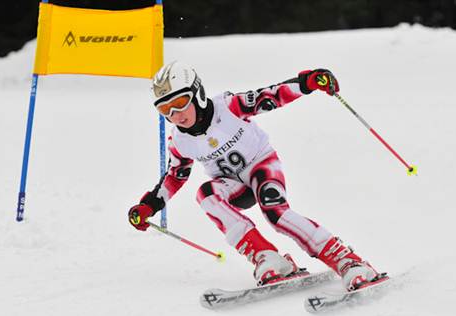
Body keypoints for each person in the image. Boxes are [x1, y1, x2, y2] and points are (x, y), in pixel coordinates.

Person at [128, 61, 384, 291]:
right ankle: (268, 257)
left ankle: (347, 261)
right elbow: (175, 176)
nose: (176, 115)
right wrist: (150, 205)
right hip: (232, 185)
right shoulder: (180, 140)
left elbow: (269, 96)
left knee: (276, 214)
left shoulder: (227, 107)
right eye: (165, 110)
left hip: (261, 166)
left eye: (180, 103)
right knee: (205, 194)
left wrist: (307, 83)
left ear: (198, 94)